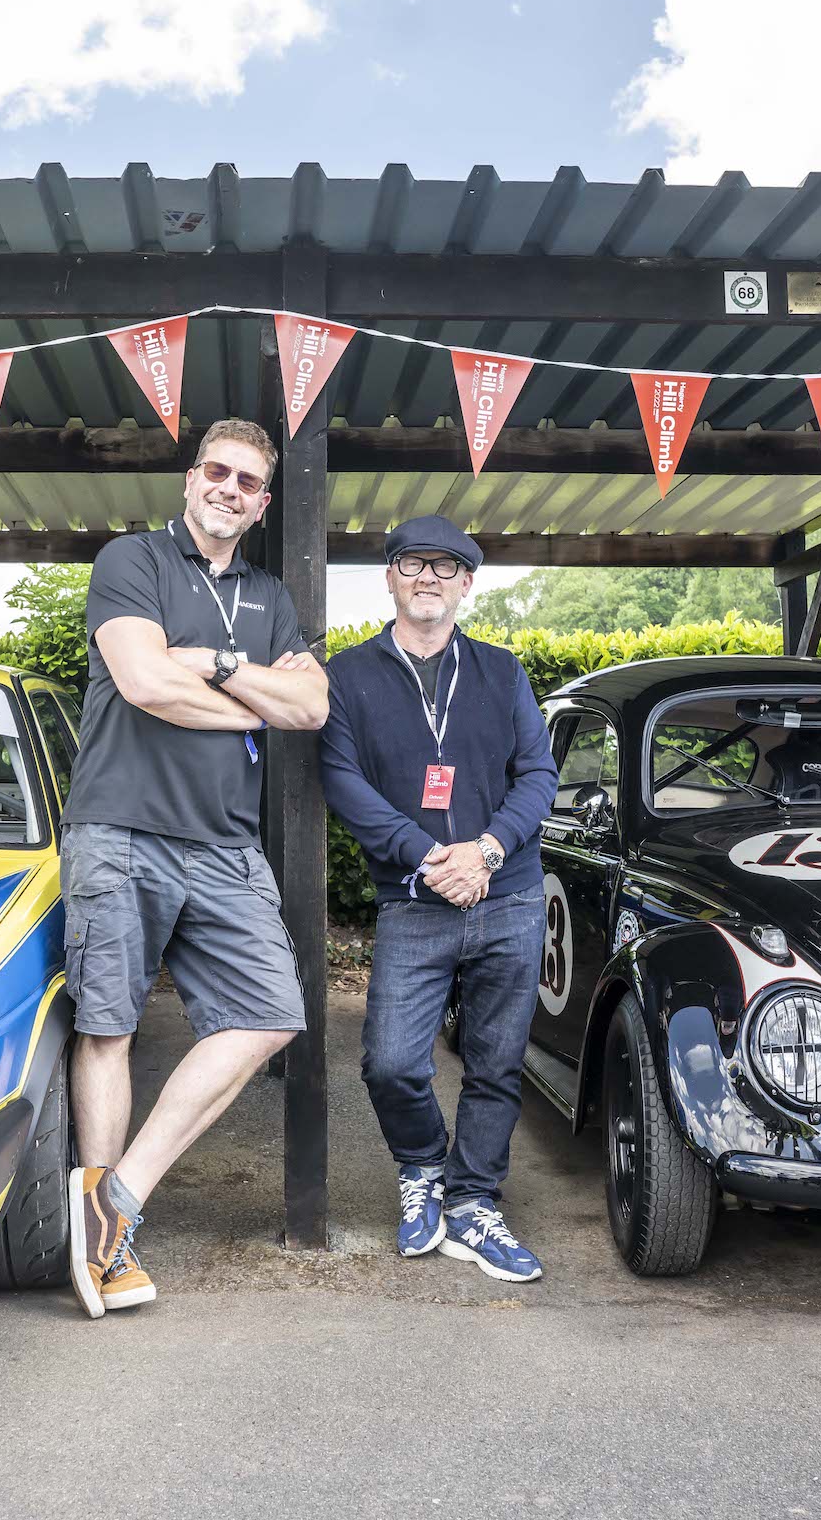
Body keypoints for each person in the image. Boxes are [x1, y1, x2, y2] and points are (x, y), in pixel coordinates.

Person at [61, 417, 329, 1319]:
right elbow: (143, 683)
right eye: (219, 471)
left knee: (270, 1012)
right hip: (120, 830)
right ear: (191, 479)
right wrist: (255, 698)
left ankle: (116, 1194)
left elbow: (311, 707)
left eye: (250, 482)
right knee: (108, 1027)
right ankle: (107, 1251)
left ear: (260, 504)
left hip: (222, 844)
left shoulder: (269, 594)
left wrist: (214, 665)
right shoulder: (131, 562)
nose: (231, 489)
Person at [317, 516, 559, 1282]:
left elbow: (539, 775)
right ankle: (421, 1167)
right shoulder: (346, 676)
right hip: (416, 901)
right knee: (390, 1062)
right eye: (413, 564)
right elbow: (343, 783)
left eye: (447, 567)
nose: (429, 578)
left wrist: (485, 850)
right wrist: (429, 857)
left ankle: (474, 1202)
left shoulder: (502, 670)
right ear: (389, 576)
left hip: (508, 895)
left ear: (467, 584)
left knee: (495, 1066)